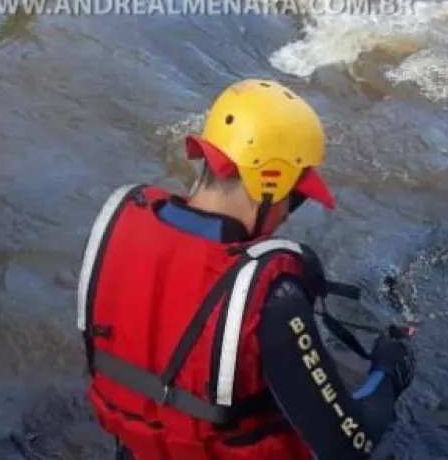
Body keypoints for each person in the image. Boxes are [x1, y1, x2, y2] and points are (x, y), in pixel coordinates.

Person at [76, 78, 415, 459]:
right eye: (297, 197)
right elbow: (351, 443)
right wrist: (388, 372)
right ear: (269, 181)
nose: (287, 215)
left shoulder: (120, 228)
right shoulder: (272, 294)